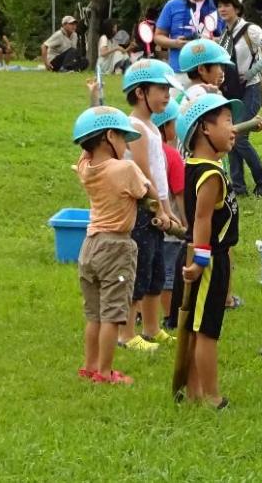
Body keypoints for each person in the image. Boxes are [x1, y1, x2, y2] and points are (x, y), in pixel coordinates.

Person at [71, 105, 158, 385]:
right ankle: (106, 374)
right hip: (116, 247)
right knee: (112, 315)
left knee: (94, 314)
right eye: (122, 138)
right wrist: (165, 215)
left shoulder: (86, 169)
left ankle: (89, 367)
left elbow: (85, 154)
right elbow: (148, 192)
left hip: (90, 246)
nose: (126, 145)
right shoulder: (124, 168)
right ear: (109, 136)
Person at [169, 93, 242, 408]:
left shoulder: (202, 164)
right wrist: (201, 259)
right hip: (209, 259)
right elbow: (201, 219)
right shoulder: (210, 175)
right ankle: (211, 396)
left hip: (212, 257)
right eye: (227, 120)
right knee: (207, 329)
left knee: (200, 327)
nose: (233, 127)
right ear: (204, 130)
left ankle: (196, 391)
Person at [117, 59, 180, 351]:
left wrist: (167, 209)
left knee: (155, 270)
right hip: (141, 210)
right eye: (162, 89)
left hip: (154, 207)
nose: (167, 95)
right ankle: (127, 334)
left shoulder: (153, 127)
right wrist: (159, 209)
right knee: (138, 272)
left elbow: (161, 176)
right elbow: (143, 172)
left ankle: (152, 329)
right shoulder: (135, 127)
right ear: (140, 92)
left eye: (168, 89)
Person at [214, 0, 262, 197]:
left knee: (239, 137)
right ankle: (238, 187)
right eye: (220, 5)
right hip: (231, 90)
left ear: (237, 8)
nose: (222, 9)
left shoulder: (250, 29)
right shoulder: (224, 33)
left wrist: (254, 70)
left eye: (227, 5)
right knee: (231, 138)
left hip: (251, 89)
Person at [151, 101, 186, 325]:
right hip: (170, 225)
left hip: (150, 224)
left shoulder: (142, 152)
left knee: (150, 270)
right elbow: (180, 194)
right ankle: (168, 316)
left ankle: (144, 314)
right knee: (169, 275)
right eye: (173, 122)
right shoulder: (171, 155)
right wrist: (185, 223)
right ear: (164, 126)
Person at [154, 0, 218, 74]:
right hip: (179, 70)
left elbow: (228, 38)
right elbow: (158, 37)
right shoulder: (172, 5)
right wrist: (175, 43)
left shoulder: (218, 7)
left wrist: (211, 41)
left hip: (210, 72)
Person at [176, 38, 232, 105]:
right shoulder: (208, 98)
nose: (222, 72)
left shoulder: (181, 96)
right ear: (202, 69)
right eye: (220, 66)